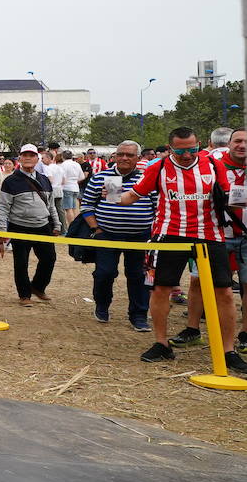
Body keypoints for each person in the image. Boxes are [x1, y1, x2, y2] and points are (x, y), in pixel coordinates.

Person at [119, 127, 246, 371]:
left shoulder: (213, 165)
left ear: (199, 144)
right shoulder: (158, 167)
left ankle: (228, 351)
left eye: (192, 149)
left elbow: (231, 197)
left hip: (209, 236)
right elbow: (134, 195)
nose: (187, 155)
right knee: (160, 290)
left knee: (225, 293)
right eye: (180, 150)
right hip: (169, 235)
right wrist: (113, 196)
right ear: (170, 148)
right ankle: (161, 344)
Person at [79, 140, 154, 329]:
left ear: (138, 158)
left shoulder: (147, 179)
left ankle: (138, 315)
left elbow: (158, 207)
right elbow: (87, 205)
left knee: (138, 276)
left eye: (129, 155)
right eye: (120, 154)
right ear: (114, 156)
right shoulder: (100, 177)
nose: (124, 158)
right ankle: (102, 305)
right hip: (107, 235)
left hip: (140, 236)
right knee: (105, 273)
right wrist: (97, 229)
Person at [0, 144, 62, 307]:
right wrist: (2, 231)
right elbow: (3, 207)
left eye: (31, 155)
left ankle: (38, 287)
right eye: (24, 155)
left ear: (37, 159)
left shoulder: (44, 179)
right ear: (19, 158)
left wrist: (57, 223)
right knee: (21, 262)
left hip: (43, 226)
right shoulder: (10, 181)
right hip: (19, 227)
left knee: (49, 259)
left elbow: (51, 204)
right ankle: (24, 295)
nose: (28, 158)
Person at [59, 150, 84, 225]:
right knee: (75, 208)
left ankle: (71, 226)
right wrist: (75, 181)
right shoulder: (76, 164)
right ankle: (76, 226)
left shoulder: (63, 165)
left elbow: (61, 178)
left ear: (62, 157)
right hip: (75, 187)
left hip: (67, 187)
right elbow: (82, 177)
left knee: (68, 209)